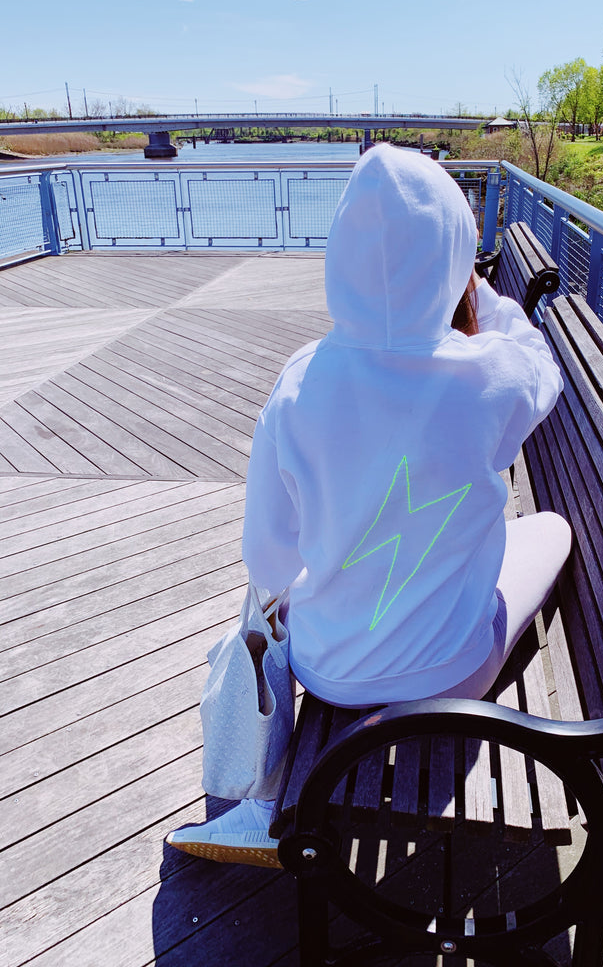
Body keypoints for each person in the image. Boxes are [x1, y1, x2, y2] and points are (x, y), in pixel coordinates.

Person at [166, 144, 571, 866]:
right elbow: (543, 365)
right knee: (550, 529)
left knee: (297, 587)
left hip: (328, 669)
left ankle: (264, 797)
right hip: (447, 672)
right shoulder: (492, 379)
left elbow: (267, 560)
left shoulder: (298, 386)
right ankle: (392, 705)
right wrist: (491, 300)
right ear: (456, 260)